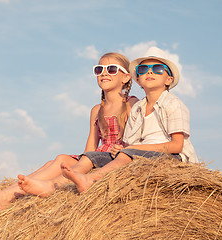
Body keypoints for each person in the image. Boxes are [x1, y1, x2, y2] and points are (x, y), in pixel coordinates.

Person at [0, 52, 138, 212]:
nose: (104, 73)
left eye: (111, 69)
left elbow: (141, 139)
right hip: (94, 158)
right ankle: (4, 196)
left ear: (125, 77)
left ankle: (5, 196)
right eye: (98, 69)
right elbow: (89, 150)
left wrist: (125, 148)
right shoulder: (96, 110)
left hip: (116, 158)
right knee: (52, 164)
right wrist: (80, 162)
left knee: (60, 160)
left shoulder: (131, 104)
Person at [60, 55, 199, 194]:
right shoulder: (138, 108)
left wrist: (132, 149)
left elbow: (177, 146)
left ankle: (92, 179)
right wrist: (121, 148)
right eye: (143, 69)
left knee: (127, 155)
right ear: (138, 80)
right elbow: (130, 144)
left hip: (171, 157)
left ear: (169, 80)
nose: (149, 72)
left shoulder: (173, 104)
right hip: (139, 153)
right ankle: (65, 182)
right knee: (91, 156)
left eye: (157, 69)